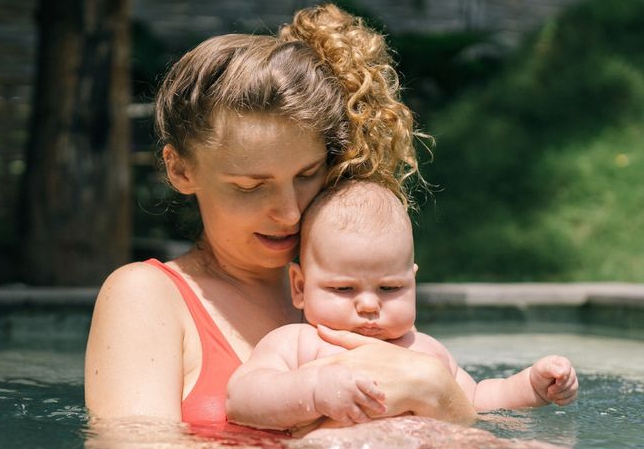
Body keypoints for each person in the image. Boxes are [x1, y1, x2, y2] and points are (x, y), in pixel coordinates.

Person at [84, 4, 476, 428]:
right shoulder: (146, 296)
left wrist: (438, 390)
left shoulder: (358, 296)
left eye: (307, 175)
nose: (290, 212)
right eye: (251, 186)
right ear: (181, 169)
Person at [226, 181, 579, 431]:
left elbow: (476, 399)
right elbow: (242, 399)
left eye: (390, 287)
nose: (367, 304)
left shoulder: (424, 350)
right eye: (343, 288)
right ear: (300, 287)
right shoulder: (298, 342)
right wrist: (313, 390)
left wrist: (530, 387)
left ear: (412, 281)